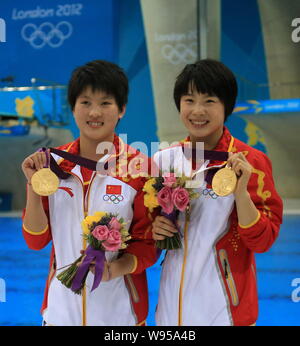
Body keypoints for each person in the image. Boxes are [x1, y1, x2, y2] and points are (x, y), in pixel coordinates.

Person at [21, 60, 156, 326]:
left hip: (120, 317)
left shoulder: (140, 169)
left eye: (105, 103)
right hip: (60, 315)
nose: (95, 112)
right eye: (85, 102)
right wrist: (33, 186)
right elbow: (35, 241)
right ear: (73, 108)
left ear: (122, 109)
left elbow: (148, 246)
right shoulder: (53, 166)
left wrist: (112, 270)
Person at [151, 59, 283, 326]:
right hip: (170, 309)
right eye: (189, 100)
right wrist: (154, 231)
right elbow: (147, 233)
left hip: (226, 310)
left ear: (227, 106)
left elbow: (263, 241)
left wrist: (241, 193)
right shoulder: (165, 160)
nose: (197, 110)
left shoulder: (252, 162)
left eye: (209, 100)